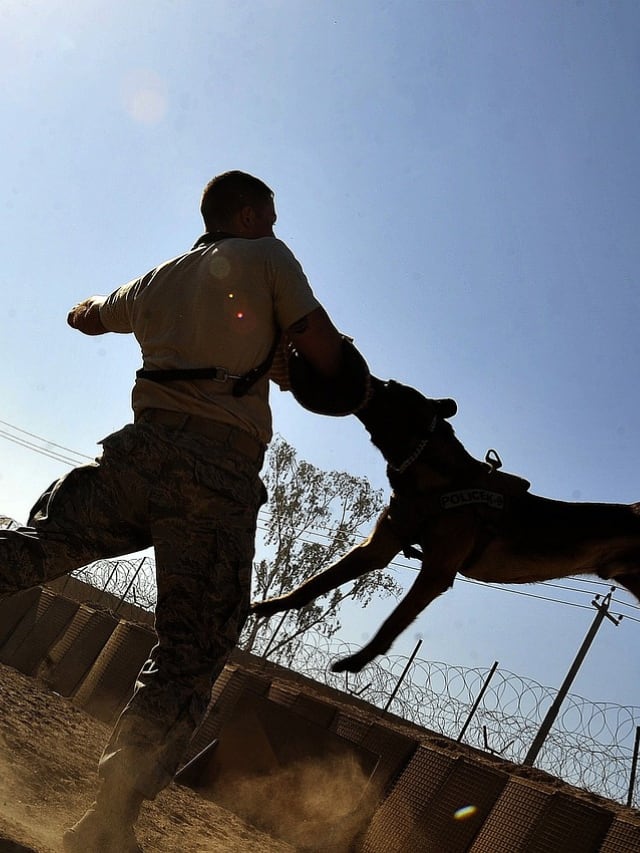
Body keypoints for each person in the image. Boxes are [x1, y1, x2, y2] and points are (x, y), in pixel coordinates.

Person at [0, 171, 368, 852]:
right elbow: (326, 353)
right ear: (250, 215)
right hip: (215, 477)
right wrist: (348, 381)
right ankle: (106, 823)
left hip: (138, 455)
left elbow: (85, 317)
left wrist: (92, 304)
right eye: (272, 216)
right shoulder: (268, 259)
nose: (277, 228)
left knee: (31, 549)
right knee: (190, 648)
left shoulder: (158, 280)